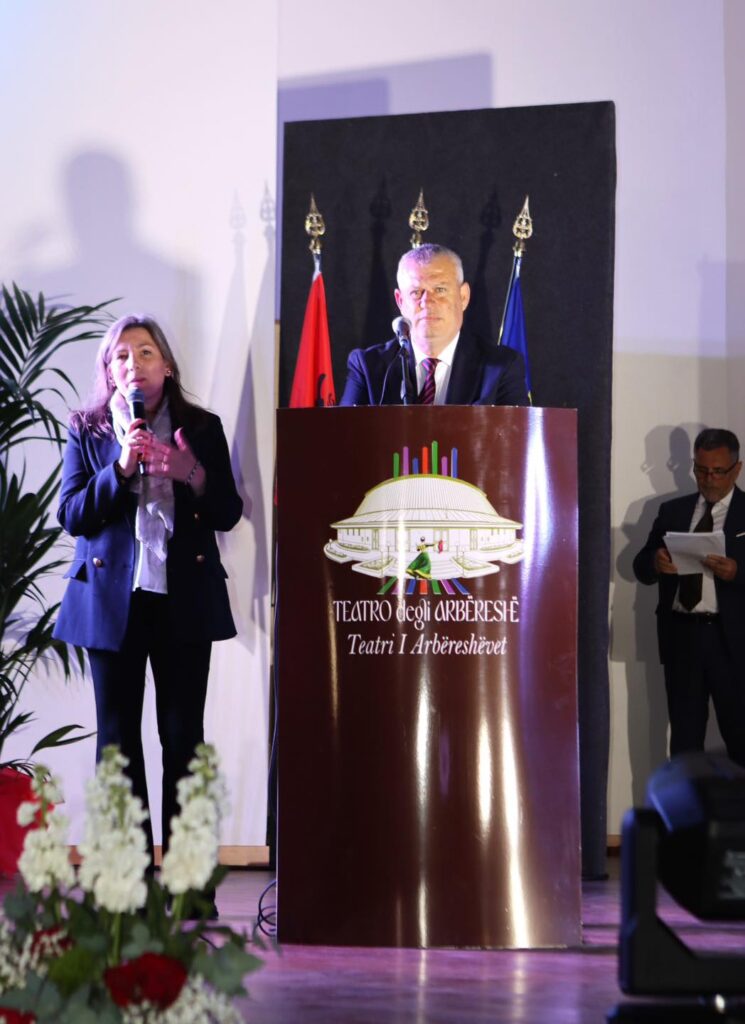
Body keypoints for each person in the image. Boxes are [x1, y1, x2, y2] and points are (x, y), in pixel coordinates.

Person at [53, 314, 243, 869]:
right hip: (110, 602)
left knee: (183, 739)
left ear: (167, 366)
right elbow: (72, 514)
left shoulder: (201, 428)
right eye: (120, 355)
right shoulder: (88, 429)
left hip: (183, 598)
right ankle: (125, 883)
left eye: (144, 352)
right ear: (108, 370)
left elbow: (228, 512)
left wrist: (192, 474)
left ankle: (188, 884)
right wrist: (119, 468)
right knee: (117, 744)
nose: (132, 363)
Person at [633, 428, 745, 766]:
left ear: (737, 469)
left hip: (733, 645)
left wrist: (737, 573)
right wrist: (656, 562)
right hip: (683, 639)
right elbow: (640, 566)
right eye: (701, 470)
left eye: (718, 471)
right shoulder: (672, 511)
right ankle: (688, 803)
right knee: (685, 745)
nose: (709, 480)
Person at [338, 243, 529, 407]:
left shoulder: (501, 367)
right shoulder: (367, 367)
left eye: (440, 289)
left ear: (463, 297)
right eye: (416, 292)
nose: (427, 302)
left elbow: (517, 436)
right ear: (400, 301)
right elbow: (345, 434)